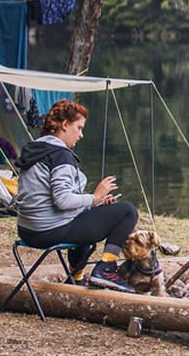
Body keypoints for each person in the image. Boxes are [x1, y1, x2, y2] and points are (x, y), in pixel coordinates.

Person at [14, 100, 138, 290]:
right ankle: (106, 269)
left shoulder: (35, 149)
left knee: (86, 216)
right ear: (64, 125)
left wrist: (93, 205)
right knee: (128, 211)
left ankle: (76, 278)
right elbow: (63, 201)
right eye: (78, 128)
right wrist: (95, 197)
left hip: (27, 229)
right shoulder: (61, 155)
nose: (81, 134)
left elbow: (52, 198)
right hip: (49, 231)